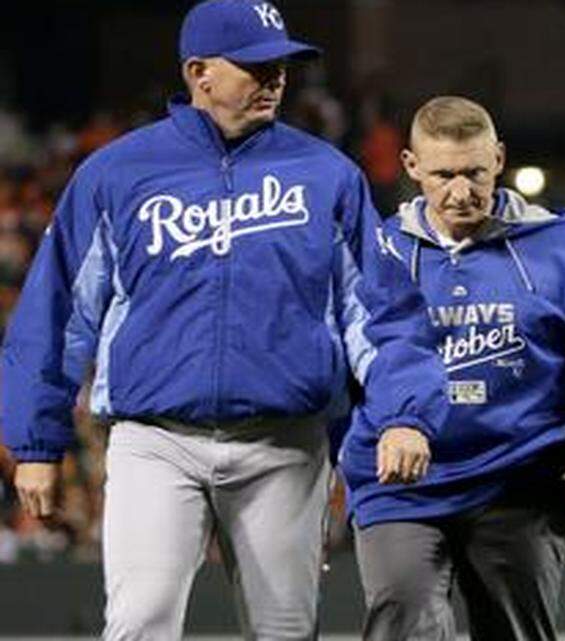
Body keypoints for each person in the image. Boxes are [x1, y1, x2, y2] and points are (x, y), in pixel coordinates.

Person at [0, 1, 448, 638]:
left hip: (284, 442)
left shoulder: (327, 176)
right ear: (198, 72)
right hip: (156, 439)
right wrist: (37, 444)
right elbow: (56, 314)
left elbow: (382, 314)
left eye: (282, 67)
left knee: (286, 630)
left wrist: (405, 412)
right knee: (139, 621)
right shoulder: (116, 173)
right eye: (256, 66)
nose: (274, 80)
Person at [339, 96, 565, 641]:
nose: (461, 192)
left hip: (520, 480)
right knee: (402, 614)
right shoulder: (375, 253)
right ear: (412, 167)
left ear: (500, 159)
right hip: (401, 485)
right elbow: (344, 363)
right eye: (443, 175)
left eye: (474, 173)